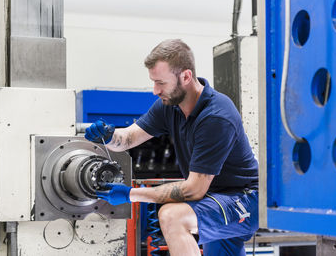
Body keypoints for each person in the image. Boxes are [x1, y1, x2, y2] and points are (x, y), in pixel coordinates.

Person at [85, 39, 259, 256]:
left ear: (186, 76)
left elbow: (194, 189)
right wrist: (109, 136)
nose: (155, 91)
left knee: (171, 216)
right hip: (211, 198)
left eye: (161, 83)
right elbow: (129, 138)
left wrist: (132, 194)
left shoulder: (216, 116)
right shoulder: (170, 106)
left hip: (242, 199)